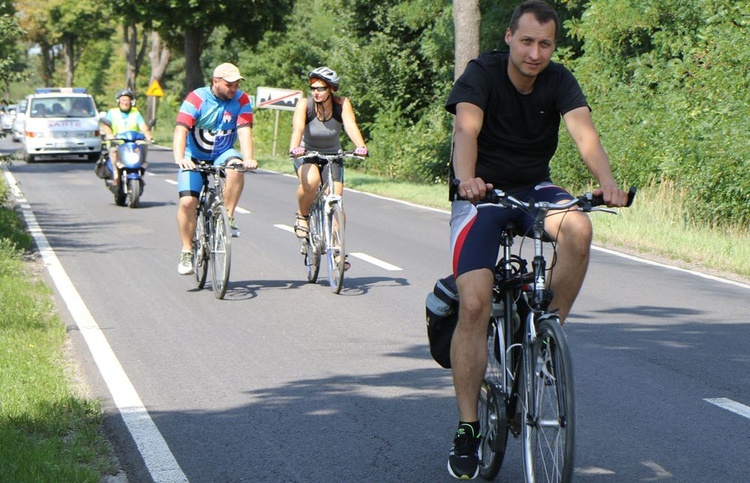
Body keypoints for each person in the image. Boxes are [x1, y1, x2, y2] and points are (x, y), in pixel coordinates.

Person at [444, 1, 629, 479]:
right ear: (508, 37)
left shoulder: (559, 80)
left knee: (580, 226)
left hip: (533, 188)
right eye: (526, 41)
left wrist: (606, 181)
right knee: (474, 304)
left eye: (545, 43)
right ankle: (468, 428)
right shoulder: (480, 74)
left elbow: (584, 134)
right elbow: (467, 128)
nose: (535, 52)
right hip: (481, 192)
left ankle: (548, 337)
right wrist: (466, 178)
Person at [174, 62, 257, 275]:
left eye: (237, 84)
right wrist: (180, 157)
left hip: (222, 153)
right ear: (215, 81)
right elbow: (181, 130)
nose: (233, 89)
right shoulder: (197, 99)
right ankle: (186, 250)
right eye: (229, 84)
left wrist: (248, 158)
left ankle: (227, 217)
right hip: (194, 155)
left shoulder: (242, 100)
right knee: (187, 202)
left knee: (237, 167)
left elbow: (244, 130)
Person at [288, 66, 368, 269]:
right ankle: (303, 216)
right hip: (307, 153)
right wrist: (295, 148)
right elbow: (298, 128)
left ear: (331, 89)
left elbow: (350, 125)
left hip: (333, 154)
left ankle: (338, 249)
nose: (316, 92)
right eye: (313, 87)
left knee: (336, 199)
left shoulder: (341, 104)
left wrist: (361, 146)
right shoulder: (305, 105)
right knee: (312, 182)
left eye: (321, 88)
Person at [101, 89, 154, 188]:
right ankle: (116, 172)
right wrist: (109, 134)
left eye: (127, 100)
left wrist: (148, 134)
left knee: (144, 146)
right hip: (117, 141)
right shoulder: (112, 112)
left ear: (131, 102)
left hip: (132, 142)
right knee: (113, 150)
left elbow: (143, 126)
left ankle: (141, 165)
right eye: (123, 100)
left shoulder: (136, 113)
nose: (125, 102)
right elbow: (106, 125)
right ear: (118, 101)